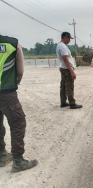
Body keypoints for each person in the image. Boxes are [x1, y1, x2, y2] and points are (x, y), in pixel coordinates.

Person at [0, 35, 38, 172]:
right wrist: (16, 82)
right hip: (6, 91)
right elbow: (20, 71)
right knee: (18, 121)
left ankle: (2, 155)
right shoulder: (12, 43)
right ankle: (18, 160)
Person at [56, 32, 82, 109]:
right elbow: (65, 59)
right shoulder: (63, 46)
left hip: (63, 68)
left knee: (63, 86)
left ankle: (63, 102)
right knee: (69, 86)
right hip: (67, 69)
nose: (69, 40)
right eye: (69, 38)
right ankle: (72, 104)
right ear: (65, 37)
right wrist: (72, 71)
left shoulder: (59, 45)